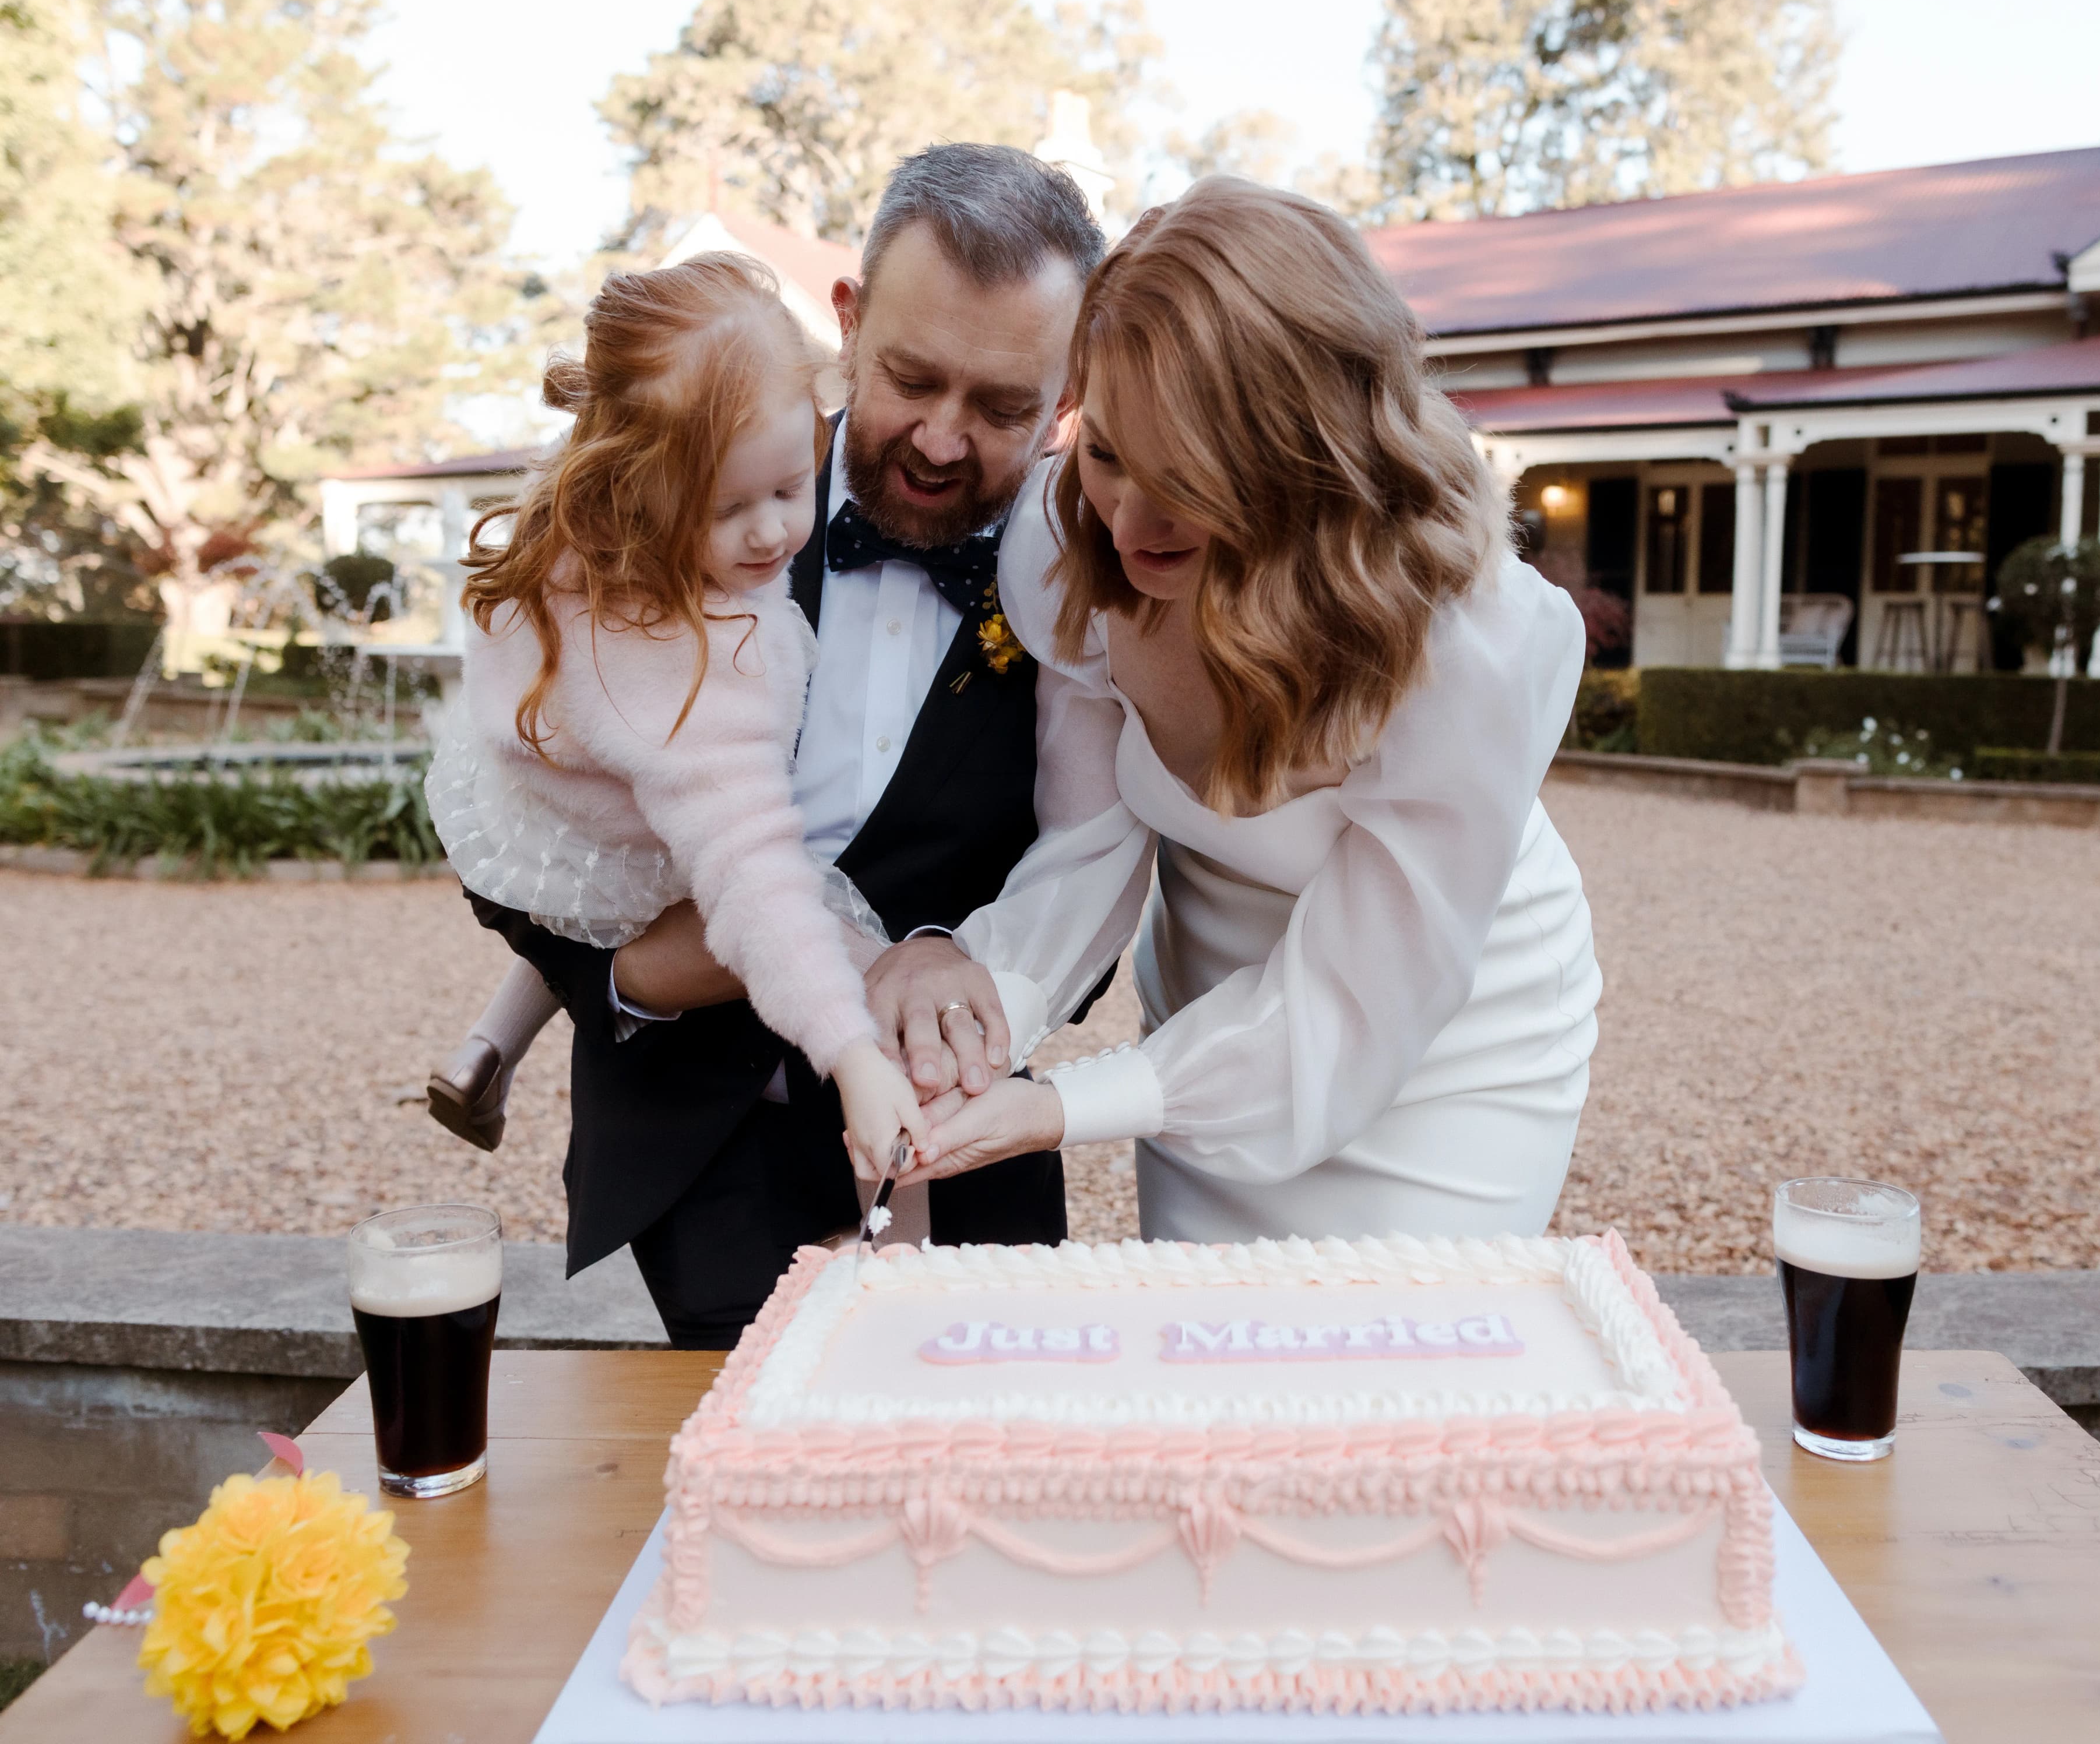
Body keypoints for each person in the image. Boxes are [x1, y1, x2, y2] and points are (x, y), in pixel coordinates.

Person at [456, 144, 1108, 1347]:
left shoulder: (1088, 570)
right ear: (849, 327)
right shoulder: (688, 482)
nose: (945, 442)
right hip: (698, 1144)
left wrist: (959, 963)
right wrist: (628, 981)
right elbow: (524, 813)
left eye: (1004, 406)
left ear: (1069, 395)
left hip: (964, 1152)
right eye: (914, 380)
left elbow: (1102, 863)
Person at [886, 176, 1603, 1243]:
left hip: (1450, 1035)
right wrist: (990, 1015)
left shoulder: (1475, 643)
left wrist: (1062, 1108)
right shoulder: (1068, 544)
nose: (1129, 520)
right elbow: (1091, 839)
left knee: (1393, 1373)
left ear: (1301, 452)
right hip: (1210, 1017)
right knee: (1212, 1353)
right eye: (1109, 451)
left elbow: (1352, 1007)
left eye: (1187, 476)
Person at [423, 250, 926, 1187]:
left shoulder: (595, 537)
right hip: (625, 842)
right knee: (852, 956)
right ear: (638, 491)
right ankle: (898, 1196)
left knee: (600, 904)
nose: (772, 534)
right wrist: (852, 1054)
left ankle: (485, 1045)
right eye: (728, 508)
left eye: (789, 488)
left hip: (556, 823)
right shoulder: (690, 664)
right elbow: (752, 882)